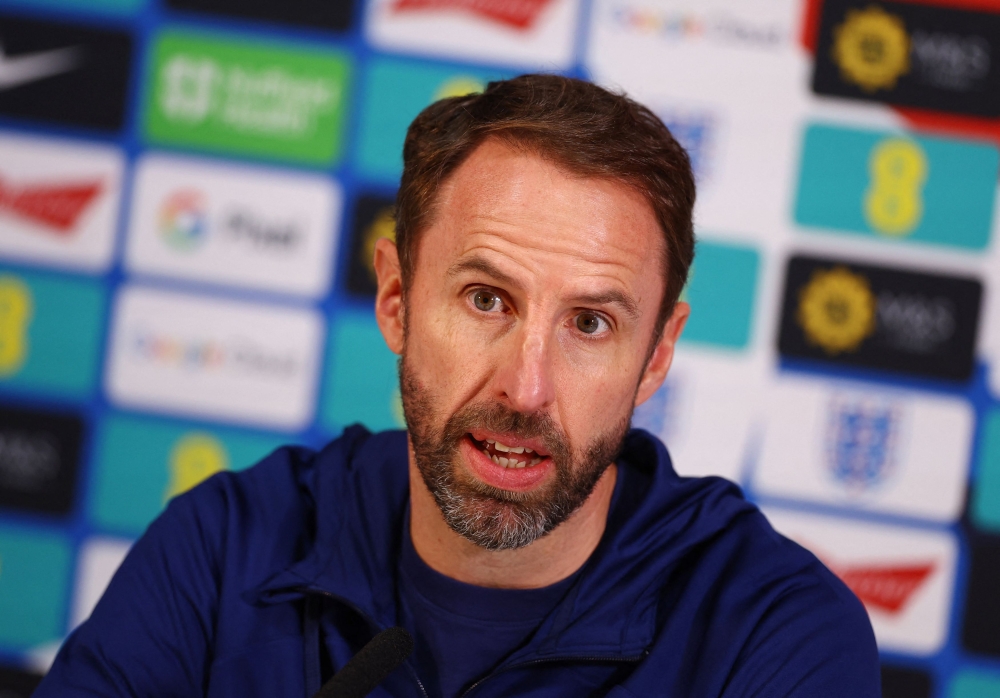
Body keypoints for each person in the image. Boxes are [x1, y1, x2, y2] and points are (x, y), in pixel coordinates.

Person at [36, 74, 880, 698]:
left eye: (590, 323)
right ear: (396, 301)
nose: (527, 386)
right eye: (486, 300)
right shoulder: (227, 549)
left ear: (657, 355)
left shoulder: (776, 634)